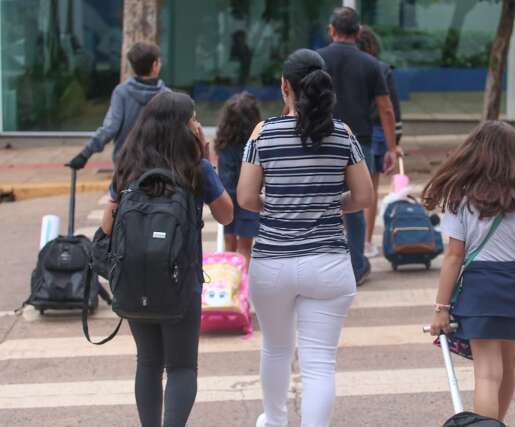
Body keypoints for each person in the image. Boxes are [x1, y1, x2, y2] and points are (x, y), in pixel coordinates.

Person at [237, 49, 374, 427]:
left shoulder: (263, 133)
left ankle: (276, 420)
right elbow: (363, 197)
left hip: (272, 264)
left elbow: (246, 198)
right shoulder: (343, 134)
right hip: (328, 265)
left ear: (285, 87)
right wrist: (328, 204)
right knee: (319, 363)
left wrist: (280, 205)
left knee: (276, 349)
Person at [100, 92, 233, 427]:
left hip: (133, 281)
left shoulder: (128, 166)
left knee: (147, 362)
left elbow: (107, 226)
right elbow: (227, 215)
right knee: (181, 367)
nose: (197, 123)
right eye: (193, 118)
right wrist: (206, 157)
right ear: (182, 127)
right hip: (180, 282)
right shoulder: (196, 168)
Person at [423, 121, 515, 422]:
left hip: (480, 288)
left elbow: (454, 257)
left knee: (487, 374)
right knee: (507, 368)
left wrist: (441, 308)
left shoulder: (461, 200)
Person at [317, 6, 400, 285]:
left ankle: (319, 261)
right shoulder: (371, 64)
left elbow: (296, 100)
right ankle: (355, 266)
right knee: (355, 205)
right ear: (359, 32)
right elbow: (386, 109)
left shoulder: (316, 61)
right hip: (357, 143)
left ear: (331, 31)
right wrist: (391, 148)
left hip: (321, 140)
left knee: (319, 201)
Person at [67, 42, 169, 169]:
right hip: (158, 166)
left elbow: (110, 128)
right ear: (154, 66)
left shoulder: (122, 92)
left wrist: (84, 154)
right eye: (159, 61)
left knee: (124, 190)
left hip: (126, 165)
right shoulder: (167, 96)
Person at [356, 25, 403, 258]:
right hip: (375, 134)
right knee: (370, 190)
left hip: (349, 130)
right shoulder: (382, 69)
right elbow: (391, 108)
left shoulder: (342, 69)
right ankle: (365, 242)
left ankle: (348, 239)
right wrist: (394, 144)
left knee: (345, 188)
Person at [214, 91, 261, 264]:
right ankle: (243, 287)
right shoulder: (255, 144)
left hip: (228, 200)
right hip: (249, 201)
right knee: (245, 249)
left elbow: (224, 178)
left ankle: (229, 286)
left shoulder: (224, 144)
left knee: (229, 246)